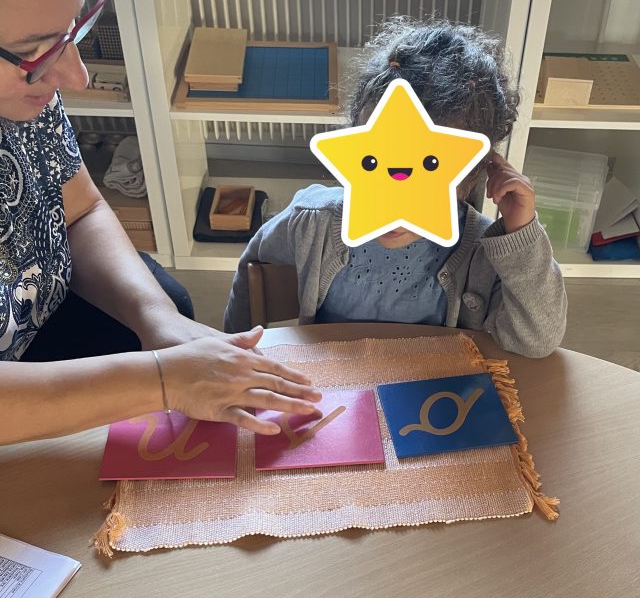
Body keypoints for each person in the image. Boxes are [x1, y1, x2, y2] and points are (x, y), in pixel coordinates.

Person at [0, 0, 321, 446]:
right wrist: (161, 379)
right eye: (34, 53)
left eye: (74, 29)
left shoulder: (27, 94)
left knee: (166, 300)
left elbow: (79, 210)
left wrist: (158, 322)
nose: (75, 76)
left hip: (46, 308)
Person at [225, 18, 568, 358]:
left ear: (472, 175)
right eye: (378, 165)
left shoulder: (483, 250)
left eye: (429, 169)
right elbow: (254, 274)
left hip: (434, 385)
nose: (396, 208)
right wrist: (235, 352)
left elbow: (536, 340)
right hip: (332, 382)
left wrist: (521, 234)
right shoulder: (313, 222)